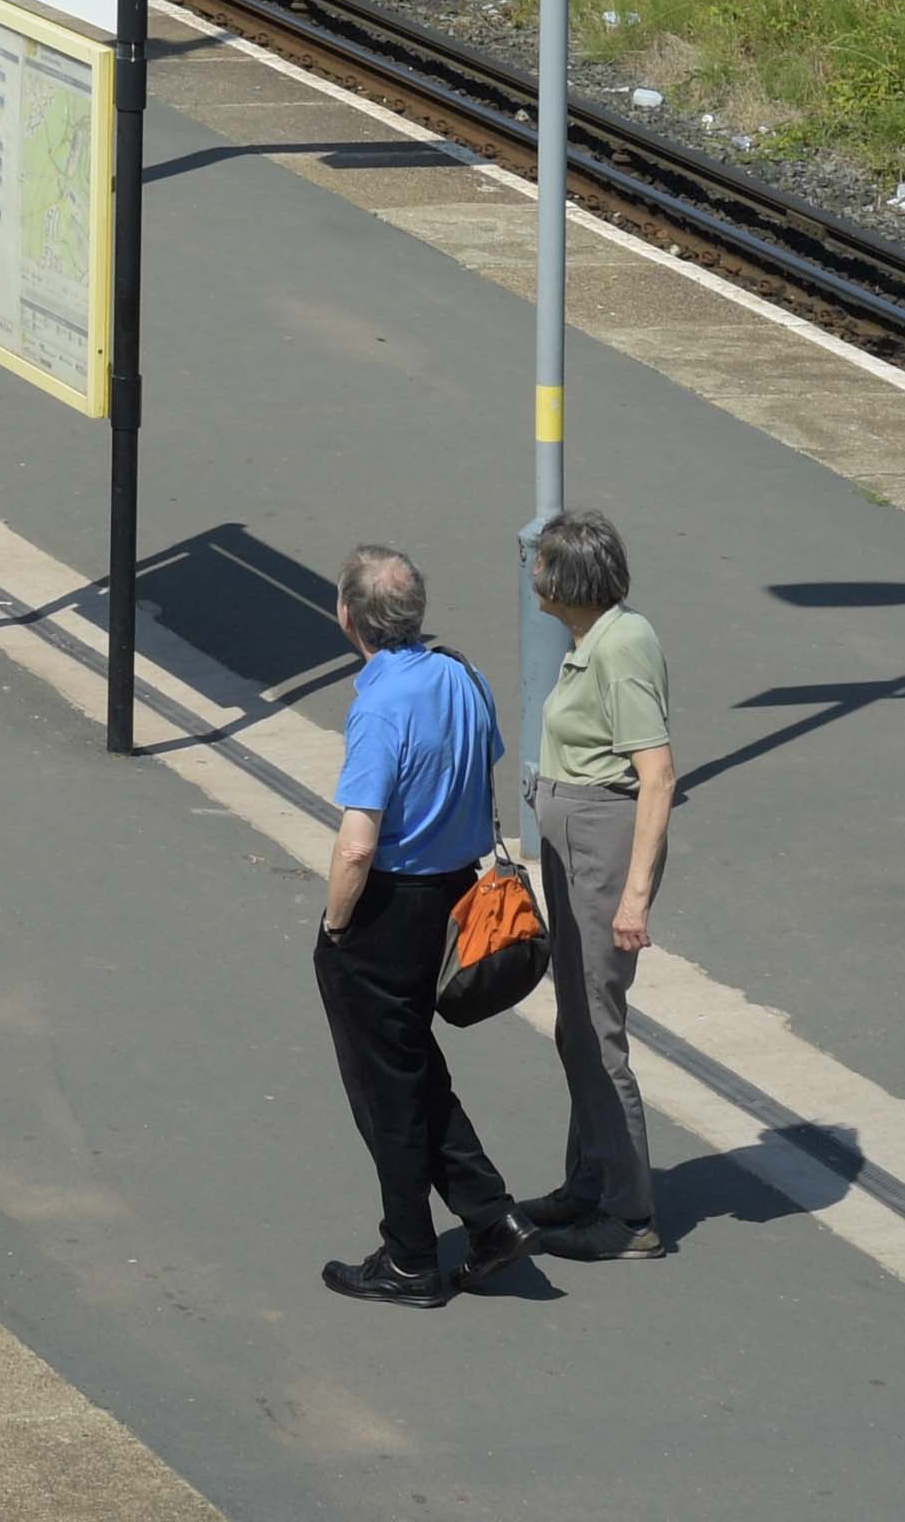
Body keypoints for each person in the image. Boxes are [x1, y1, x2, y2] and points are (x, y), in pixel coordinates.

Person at [312, 545, 529, 1307]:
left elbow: (358, 841)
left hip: (388, 908)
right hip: (455, 896)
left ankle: (409, 1258)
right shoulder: (464, 676)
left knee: (386, 1087)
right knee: (411, 1065)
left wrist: (336, 927)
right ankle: (491, 1217)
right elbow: (482, 766)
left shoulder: (378, 707)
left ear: (348, 616)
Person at [522, 508, 676, 1264]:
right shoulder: (593, 641)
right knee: (576, 1023)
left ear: (569, 581)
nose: (533, 572)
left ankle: (628, 1215)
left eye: (542, 563)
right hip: (576, 842)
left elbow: (658, 776)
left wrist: (633, 897)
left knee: (595, 1027)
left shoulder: (621, 648)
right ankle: (589, 1180)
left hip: (598, 848)